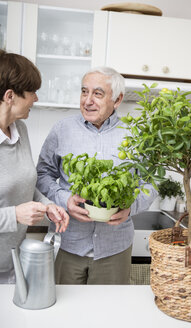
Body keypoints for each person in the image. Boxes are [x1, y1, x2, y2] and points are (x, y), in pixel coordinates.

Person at [36, 66, 158, 285]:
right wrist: (65, 200)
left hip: (114, 248)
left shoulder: (136, 134)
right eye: (84, 92)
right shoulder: (62, 130)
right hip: (67, 243)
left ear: (117, 99)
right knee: (63, 313)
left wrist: (132, 207)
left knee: (108, 314)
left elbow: (151, 181)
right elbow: (42, 174)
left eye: (97, 93)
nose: (87, 100)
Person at [0, 49, 69, 284]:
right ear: (10, 96)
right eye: (32, 92)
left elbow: (26, 184)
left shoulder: (19, 129)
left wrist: (47, 205)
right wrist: (15, 215)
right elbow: (14, 211)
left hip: (14, 260)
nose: (36, 98)